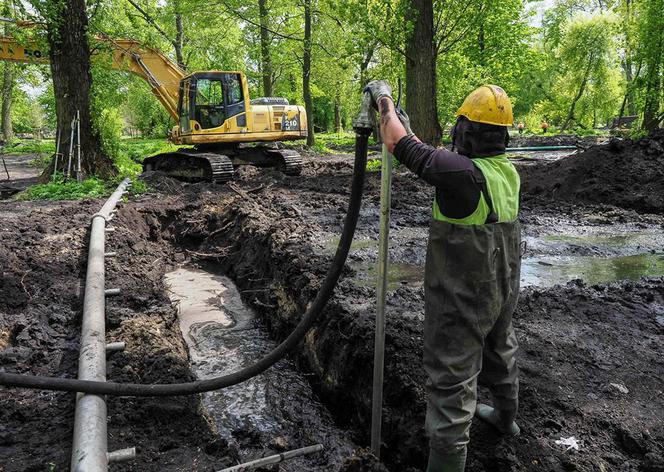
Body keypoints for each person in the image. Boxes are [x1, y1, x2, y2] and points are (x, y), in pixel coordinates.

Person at [364, 82, 521, 472]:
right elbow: (426, 150)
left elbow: (401, 145)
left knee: (452, 378)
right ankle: (506, 419)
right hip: (501, 285)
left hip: (462, 293)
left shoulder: (461, 174)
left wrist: (384, 99)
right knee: (500, 347)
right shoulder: (507, 172)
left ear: (465, 131)